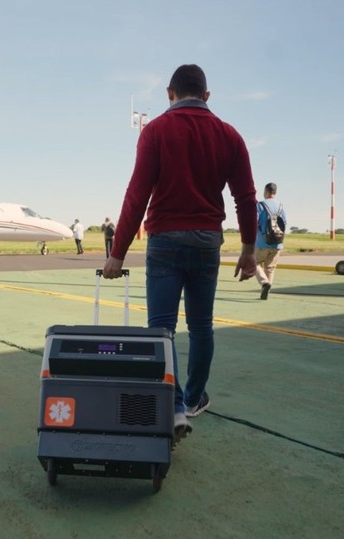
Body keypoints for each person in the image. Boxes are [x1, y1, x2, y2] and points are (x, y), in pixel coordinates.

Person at [102, 64, 257, 444]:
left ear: (170, 93)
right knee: (202, 326)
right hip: (208, 241)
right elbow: (245, 197)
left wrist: (117, 253)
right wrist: (249, 250)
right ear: (207, 96)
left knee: (161, 329)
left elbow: (136, 194)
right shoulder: (230, 135)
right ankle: (191, 400)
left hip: (166, 241)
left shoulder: (155, 131)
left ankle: (170, 407)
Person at [255, 182, 287, 300]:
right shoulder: (281, 206)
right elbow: (284, 223)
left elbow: (255, 222)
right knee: (270, 268)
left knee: (255, 263)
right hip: (277, 243)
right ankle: (267, 291)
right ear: (275, 192)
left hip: (262, 242)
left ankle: (264, 283)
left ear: (266, 191)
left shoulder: (260, 205)